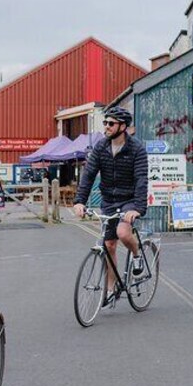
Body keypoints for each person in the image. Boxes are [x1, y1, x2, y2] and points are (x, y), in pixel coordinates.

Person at [72, 106, 148, 307]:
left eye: (110, 123)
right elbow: (88, 175)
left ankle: (137, 254)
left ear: (122, 126)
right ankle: (111, 289)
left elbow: (141, 179)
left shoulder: (137, 149)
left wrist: (137, 208)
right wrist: (80, 201)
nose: (106, 126)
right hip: (109, 200)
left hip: (129, 199)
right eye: (105, 122)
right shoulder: (101, 147)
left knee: (123, 233)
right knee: (109, 245)